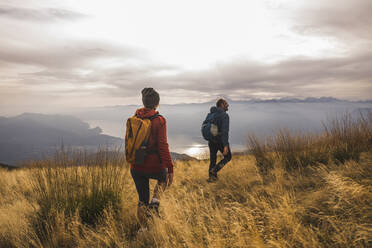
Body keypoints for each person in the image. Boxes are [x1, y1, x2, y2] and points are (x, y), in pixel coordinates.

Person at [129, 87, 174, 227]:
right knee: (163, 178)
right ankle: (155, 204)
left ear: (143, 102)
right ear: (157, 103)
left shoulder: (135, 117)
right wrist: (170, 168)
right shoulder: (159, 120)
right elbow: (162, 145)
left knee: (142, 200)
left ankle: (142, 229)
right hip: (154, 165)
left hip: (136, 165)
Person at [207, 98, 232, 182]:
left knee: (213, 159)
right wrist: (225, 145)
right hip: (220, 140)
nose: (228, 105)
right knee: (228, 157)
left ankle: (212, 178)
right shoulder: (224, 115)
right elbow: (225, 131)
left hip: (211, 140)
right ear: (221, 105)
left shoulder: (211, 114)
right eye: (226, 104)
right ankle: (214, 170)